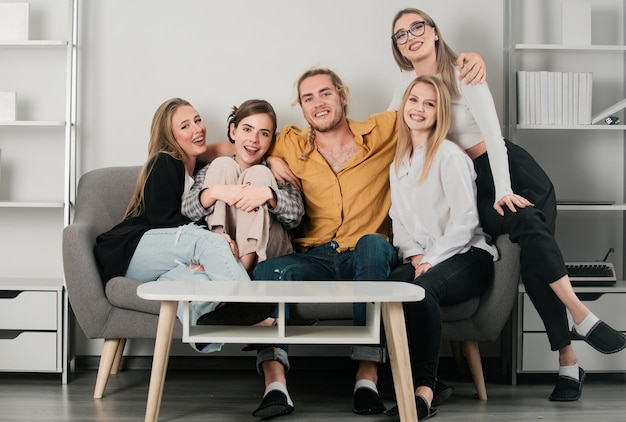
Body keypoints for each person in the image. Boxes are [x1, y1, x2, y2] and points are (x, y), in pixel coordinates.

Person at [388, 7, 626, 402]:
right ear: (397, 48)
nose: (410, 36)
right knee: (529, 256)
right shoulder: (405, 90)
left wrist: (503, 190)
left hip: (508, 170)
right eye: (400, 34)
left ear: (434, 33)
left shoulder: (464, 69)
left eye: (418, 27)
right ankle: (578, 329)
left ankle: (570, 350)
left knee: (534, 261)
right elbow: (384, 131)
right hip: (472, 181)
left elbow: (495, 139)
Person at [94, 98, 274, 352]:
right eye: (185, 127)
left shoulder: (202, 170)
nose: (197, 129)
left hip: (163, 263)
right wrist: (213, 240)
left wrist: (275, 160)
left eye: (198, 121)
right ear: (170, 137)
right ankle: (251, 307)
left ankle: (204, 328)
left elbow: (227, 147)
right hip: (133, 251)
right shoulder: (165, 161)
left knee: (196, 280)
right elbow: (161, 220)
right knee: (208, 239)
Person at [386, 75, 498, 420]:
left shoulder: (449, 155)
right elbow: (398, 220)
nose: (419, 109)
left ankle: (425, 390)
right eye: (414, 100)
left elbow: (465, 221)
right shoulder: (398, 162)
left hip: (468, 255)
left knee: (421, 290)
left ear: (440, 113)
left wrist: (431, 260)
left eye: (429, 103)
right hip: (427, 257)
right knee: (389, 288)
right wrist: (417, 256)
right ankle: (410, 382)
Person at [181, 99, 304, 277]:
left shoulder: (276, 171)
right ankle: (223, 257)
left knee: (260, 173)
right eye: (247, 129)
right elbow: (187, 211)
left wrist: (269, 194)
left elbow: (296, 217)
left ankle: (238, 270)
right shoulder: (214, 169)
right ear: (233, 131)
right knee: (223, 164)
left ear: (271, 140)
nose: (254, 140)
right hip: (223, 245)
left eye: (264, 133)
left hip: (268, 252)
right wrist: (215, 192)